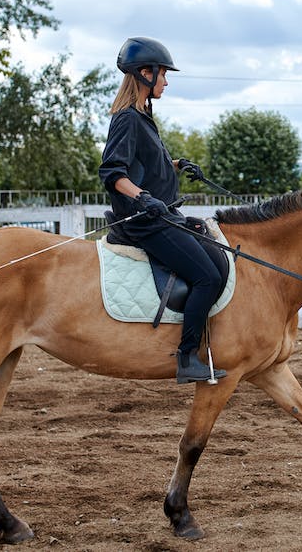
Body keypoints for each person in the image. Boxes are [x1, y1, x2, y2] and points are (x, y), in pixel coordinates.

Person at [99, 36, 226, 384]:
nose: (166, 82)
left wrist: (177, 164)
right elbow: (113, 172)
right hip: (145, 222)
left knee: (218, 260)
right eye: (163, 75)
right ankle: (186, 357)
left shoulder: (143, 118)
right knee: (207, 276)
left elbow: (147, 164)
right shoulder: (126, 118)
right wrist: (141, 198)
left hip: (163, 214)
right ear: (144, 73)